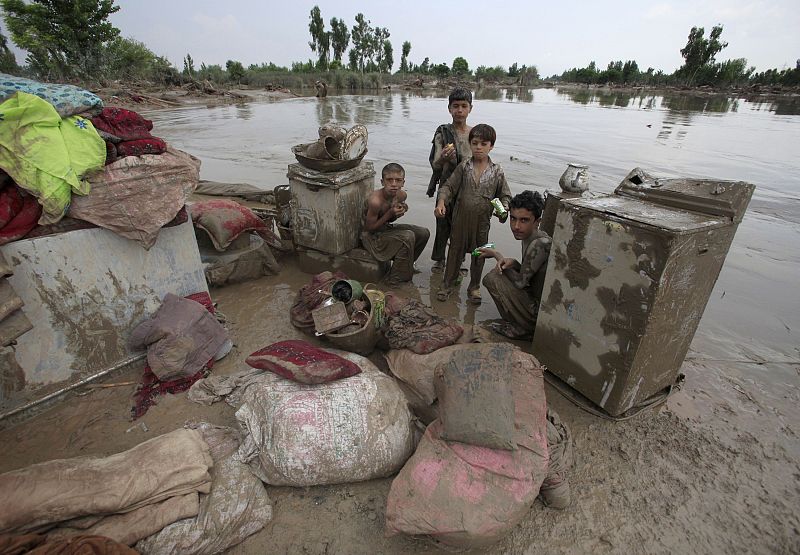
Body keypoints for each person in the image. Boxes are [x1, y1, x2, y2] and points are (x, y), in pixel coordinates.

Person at [434, 124, 511, 303]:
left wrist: (503, 209)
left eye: (483, 144)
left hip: (482, 222)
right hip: (460, 220)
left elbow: (505, 196)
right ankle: (447, 284)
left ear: (491, 146)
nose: (478, 147)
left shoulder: (497, 171)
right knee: (454, 252)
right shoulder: (464, 166)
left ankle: (474, 287)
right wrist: (441, 202)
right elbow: (448, 187)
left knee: (480, 254)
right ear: (470, 144)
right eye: (475, 143)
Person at [477, 190, 550, 339]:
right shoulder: (528, 236)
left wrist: (496, 255)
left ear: (537, 221)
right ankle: (519, 322)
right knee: (496, 276)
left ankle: (525, 329)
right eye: (513, 219)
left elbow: (520, 283)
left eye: (524, 220)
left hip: (542, 312)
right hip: (536, 299)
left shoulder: (540, 243)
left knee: (493, 278)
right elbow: (530, 275)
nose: (516, 226)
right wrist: (515, 264)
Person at [427, 87, 473, 273]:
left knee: (461, 226)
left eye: (464, 106)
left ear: (471, 108)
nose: (459, 110)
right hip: (446, 185)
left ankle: (459, 259)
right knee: (442, 224)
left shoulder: (475, 134)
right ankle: (439, 259)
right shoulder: (442, 133)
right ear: (449, 108)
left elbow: (480, 161)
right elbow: (435, 164)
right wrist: (445, 157)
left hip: (467, 188)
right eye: (455, 106)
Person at [362, 163, 430, 286]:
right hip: (371, 238)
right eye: (389, 180)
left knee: (423, 233)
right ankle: (395, 280)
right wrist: (390, 213)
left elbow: (391, 219)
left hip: (385, 229)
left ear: (403, 183)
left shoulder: (401, 195)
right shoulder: (376, 201)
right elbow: (369, 228)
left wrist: (400, 211)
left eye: (398, 180)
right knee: (407, 236)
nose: (394, 184)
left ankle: (406, 266)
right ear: (382, 182)